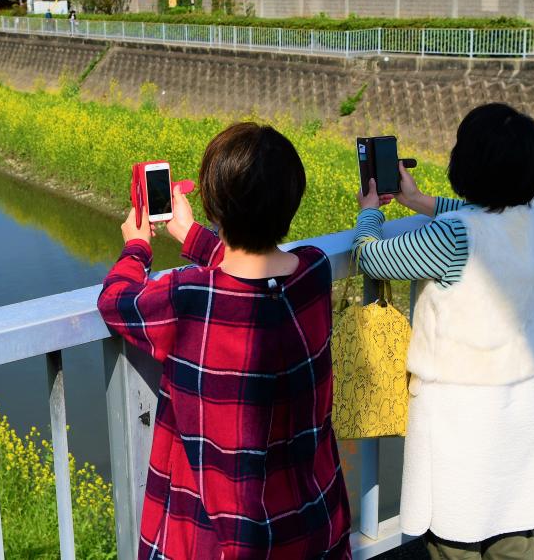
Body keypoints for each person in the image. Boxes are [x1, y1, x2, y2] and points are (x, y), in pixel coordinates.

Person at [98, 123, 351, 559]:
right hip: (309, 525)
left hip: (219, 540)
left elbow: (115, 301)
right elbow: (253, 275)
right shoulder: (314, 271)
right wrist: (192, 236)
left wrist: (137, 247)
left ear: (215, 207)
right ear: (292, 200)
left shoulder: (190, 295)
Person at [354, 103, 534, 560]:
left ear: (467, 165)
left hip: (460, 415)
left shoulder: (453, 236)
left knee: (454, 535)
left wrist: (370, 214)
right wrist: (420, 201)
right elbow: (486, 218)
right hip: (518, 405)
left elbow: (372, 256)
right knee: (512, 527)